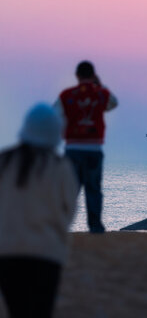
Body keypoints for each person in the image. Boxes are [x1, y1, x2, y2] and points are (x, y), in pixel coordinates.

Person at [0, 103, 78, 318]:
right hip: (47, 252)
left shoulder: (4, 161)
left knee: (18, 311)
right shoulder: (60, 166)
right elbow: (69, 210)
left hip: (7, 252)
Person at [55, 61, 118, 233]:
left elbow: (54, 113)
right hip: (94, 149)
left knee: (70, 189)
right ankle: (95, 226)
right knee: (93, 189)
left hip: (73, 148)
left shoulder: (67, 95)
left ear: (77, 76)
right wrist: (98, 84)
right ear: (93, 75)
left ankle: (61, 225)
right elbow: (113, 103)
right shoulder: (100, 94)